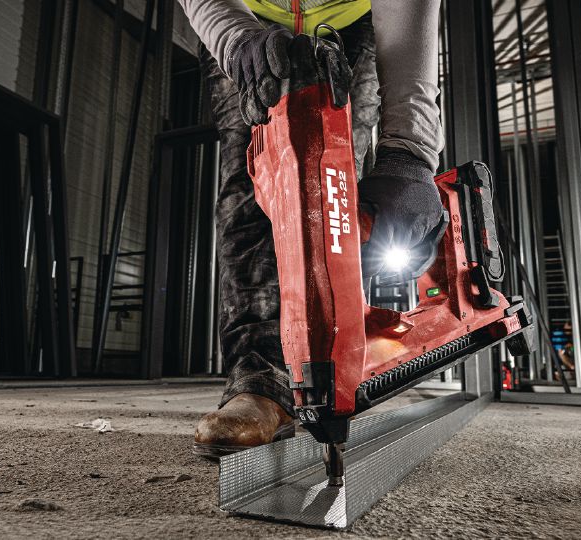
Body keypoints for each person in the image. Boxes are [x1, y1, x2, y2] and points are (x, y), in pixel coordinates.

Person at [179, 0, 446, 458]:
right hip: (244, 16)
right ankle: (260, 380)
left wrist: (410, 153)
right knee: (253, 179)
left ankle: (332, 367)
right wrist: (236, 40)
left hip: (352, 22)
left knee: (336, 190)